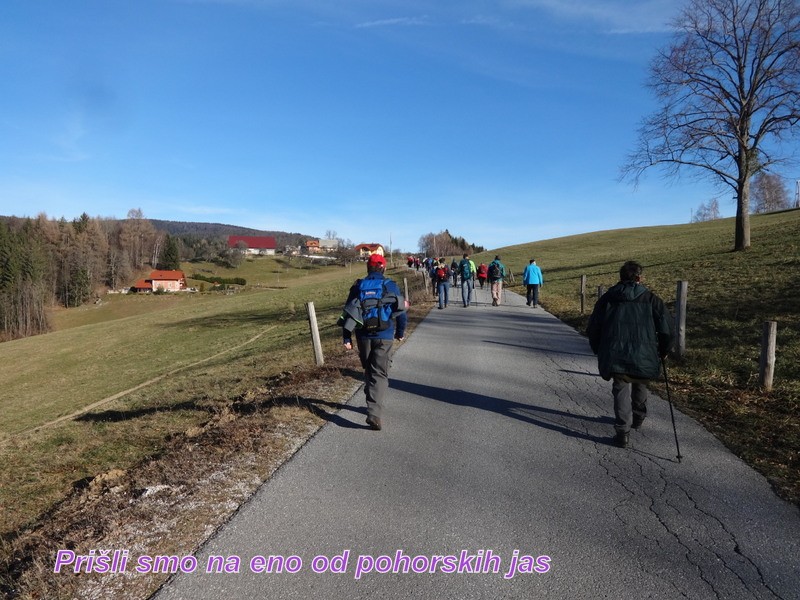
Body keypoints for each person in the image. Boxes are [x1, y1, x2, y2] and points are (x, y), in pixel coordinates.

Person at [587, 261, 674, 449]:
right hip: (644, 353)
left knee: (620, 388)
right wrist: (665, 350)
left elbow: (594, 327)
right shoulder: (652, 300)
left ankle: (622, 432)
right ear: (639, 278)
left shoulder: (608, 298)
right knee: (640, 382)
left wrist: (597, 348)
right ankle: (638, 417)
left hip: (615, 352)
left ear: (620, 277)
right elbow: (667, 330)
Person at [338, 253, 408, 431]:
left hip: (362, 336)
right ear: (383, 268)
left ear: (368, 268)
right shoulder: (390, 285)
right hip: (384, 335)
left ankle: (372, 403)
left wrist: (346, 337)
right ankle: (374, 413)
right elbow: (401, 312)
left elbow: (348, 313)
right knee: (380, 373)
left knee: (369, 370)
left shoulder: (358, 286)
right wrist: (400, 332)